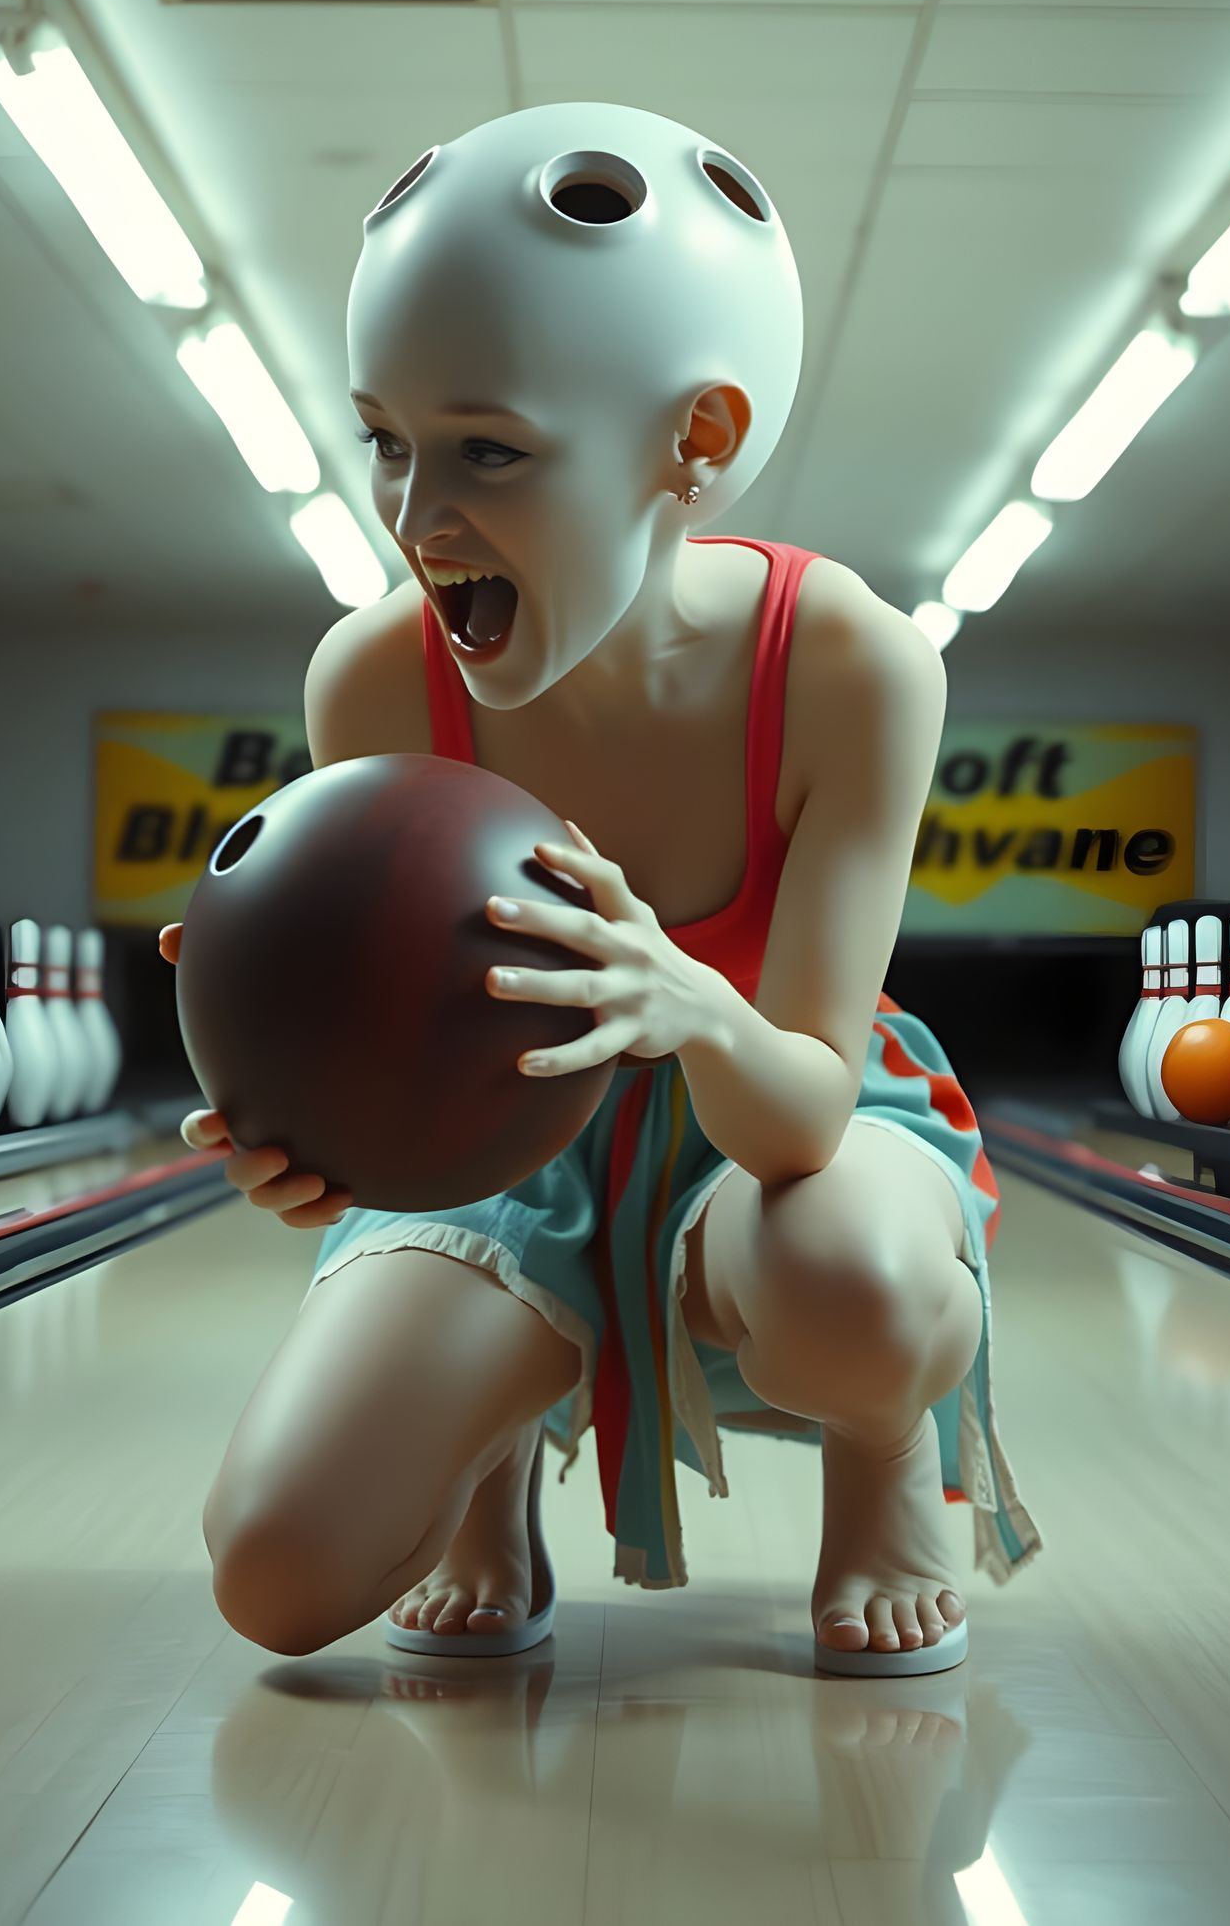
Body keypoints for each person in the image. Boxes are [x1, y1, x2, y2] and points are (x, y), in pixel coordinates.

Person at [160, 105, 1041, 1679]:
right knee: (277, 1578)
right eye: (387, 439)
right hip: (507, 1156)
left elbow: (799, 1116)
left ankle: (877, 1456)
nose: (417, 518)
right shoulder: (373, 676)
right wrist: (306, 1119)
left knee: (860, 1286)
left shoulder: (846, 666)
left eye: (488, 450)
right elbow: (408, 1114)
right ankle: (493, 1464)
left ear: (694, 442)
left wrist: (681, 990)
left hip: (788, 1131)